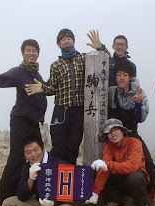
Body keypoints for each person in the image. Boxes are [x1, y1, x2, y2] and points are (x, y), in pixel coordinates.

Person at [0, 40, 48, 206]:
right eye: (28, 50)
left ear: (38, 53)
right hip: (21, 120)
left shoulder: (37, 74)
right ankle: (5, 198)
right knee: (17, 158)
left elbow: (46, 88)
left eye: (34, 51)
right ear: (22, 53)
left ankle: (27, 192)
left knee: (36, 156)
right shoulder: (19, 72)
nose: (31, 53)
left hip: (33, 122)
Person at [25, 29, 110, 165]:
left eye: (69, 37)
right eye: (63, 39)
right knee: (58, 148)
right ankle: (54, 179)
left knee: (73, 149)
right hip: (61, 111)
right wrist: (42, 89)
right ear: (59, 44)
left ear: (74, 41)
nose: (66, 40)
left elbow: (106, 61)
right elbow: (53, 88)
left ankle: (68, 180)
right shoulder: (56, 65)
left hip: (79, 111)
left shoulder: (84, 58)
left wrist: (100, 47)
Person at [108, 59, 155, 206]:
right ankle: (114, 197)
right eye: (119, 75)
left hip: (132, 135)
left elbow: (140, 119)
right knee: (106, 165)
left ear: (130, 77)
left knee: (148, 164)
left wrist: (137, 104)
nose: (122, 78)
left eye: (125, 75)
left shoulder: (139, 93)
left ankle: (147, 196)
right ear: (115, 77)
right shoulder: (111, 92)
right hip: (113, 137)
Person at [85, 118, 152, 206]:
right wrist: (96, 192)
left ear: (122, 131)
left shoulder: (135, 143)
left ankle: (142, 205)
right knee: (98, 170)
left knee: (135, 177)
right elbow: (104, 169)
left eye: (115, 129)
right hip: (121, 182)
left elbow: (133, 166)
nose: (113, 134)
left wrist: (107, 165)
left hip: (136, 179)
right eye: (109, 132)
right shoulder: (109, 147)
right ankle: (114, 199)